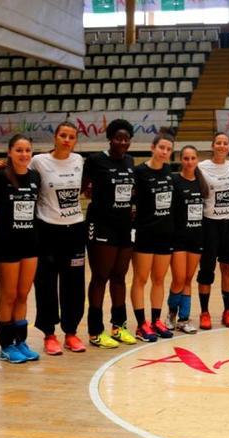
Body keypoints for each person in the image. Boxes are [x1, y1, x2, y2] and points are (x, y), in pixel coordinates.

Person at [31, 122, 87, 354]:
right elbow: (19, 173)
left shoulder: (80, 161)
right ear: (55, 137)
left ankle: (71, 332)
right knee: (46, 283)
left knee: (74, 284)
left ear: (75, 141)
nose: (66, 139)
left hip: (74, 229)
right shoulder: (39, 161)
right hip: (47, 229)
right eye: (63, 135)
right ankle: (49, 334)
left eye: (71, 136)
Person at [83, 119, 137, 348]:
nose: (122, 142)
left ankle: (119, 326)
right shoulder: (96, 160)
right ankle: (95, 330)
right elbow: (84, 188)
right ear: (110, 138)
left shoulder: (130, 161)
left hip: (124, 226)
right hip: (101, 225)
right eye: (118, 138)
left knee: (120, 276)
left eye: (126, 139)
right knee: (100, 276)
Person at [0, 134, 41, 363]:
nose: (24, 154)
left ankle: (21, 342)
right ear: (10, 152)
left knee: (23, 295)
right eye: (19, 150)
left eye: (28, 150)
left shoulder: (35, 177)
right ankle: (6, 346)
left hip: (30, 243)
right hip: (6, 243)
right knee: (9, 295)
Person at [130, 132, 176, 342]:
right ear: (153, 147)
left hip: (165, 234)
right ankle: (141, 325)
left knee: (159, 279)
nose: (164, 152)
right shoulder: (139, 172)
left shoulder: (168, 171)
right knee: (141, 279)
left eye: (168, 149)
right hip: (145, 233)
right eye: (161, 147)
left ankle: (156, 320)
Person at [197, 133, 229, 330]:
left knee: (227, 268)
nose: (222, 146)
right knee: (207, 269)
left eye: (225, 143)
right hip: (209, 223)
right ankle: (204, 312)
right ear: (212, 146)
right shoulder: (202, 167)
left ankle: (227, 311)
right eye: (218, 143)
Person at [167, 145, 207, 334]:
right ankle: (171, 314)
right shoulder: (174, 180)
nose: (189, 162)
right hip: (178, 238)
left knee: (188, 279)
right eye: (186, 158)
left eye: (192, 158)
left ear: (197, 160)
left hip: (196, 237)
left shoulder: (201, 182)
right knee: (179, 279)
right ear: (181, 160)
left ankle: (184, 319)